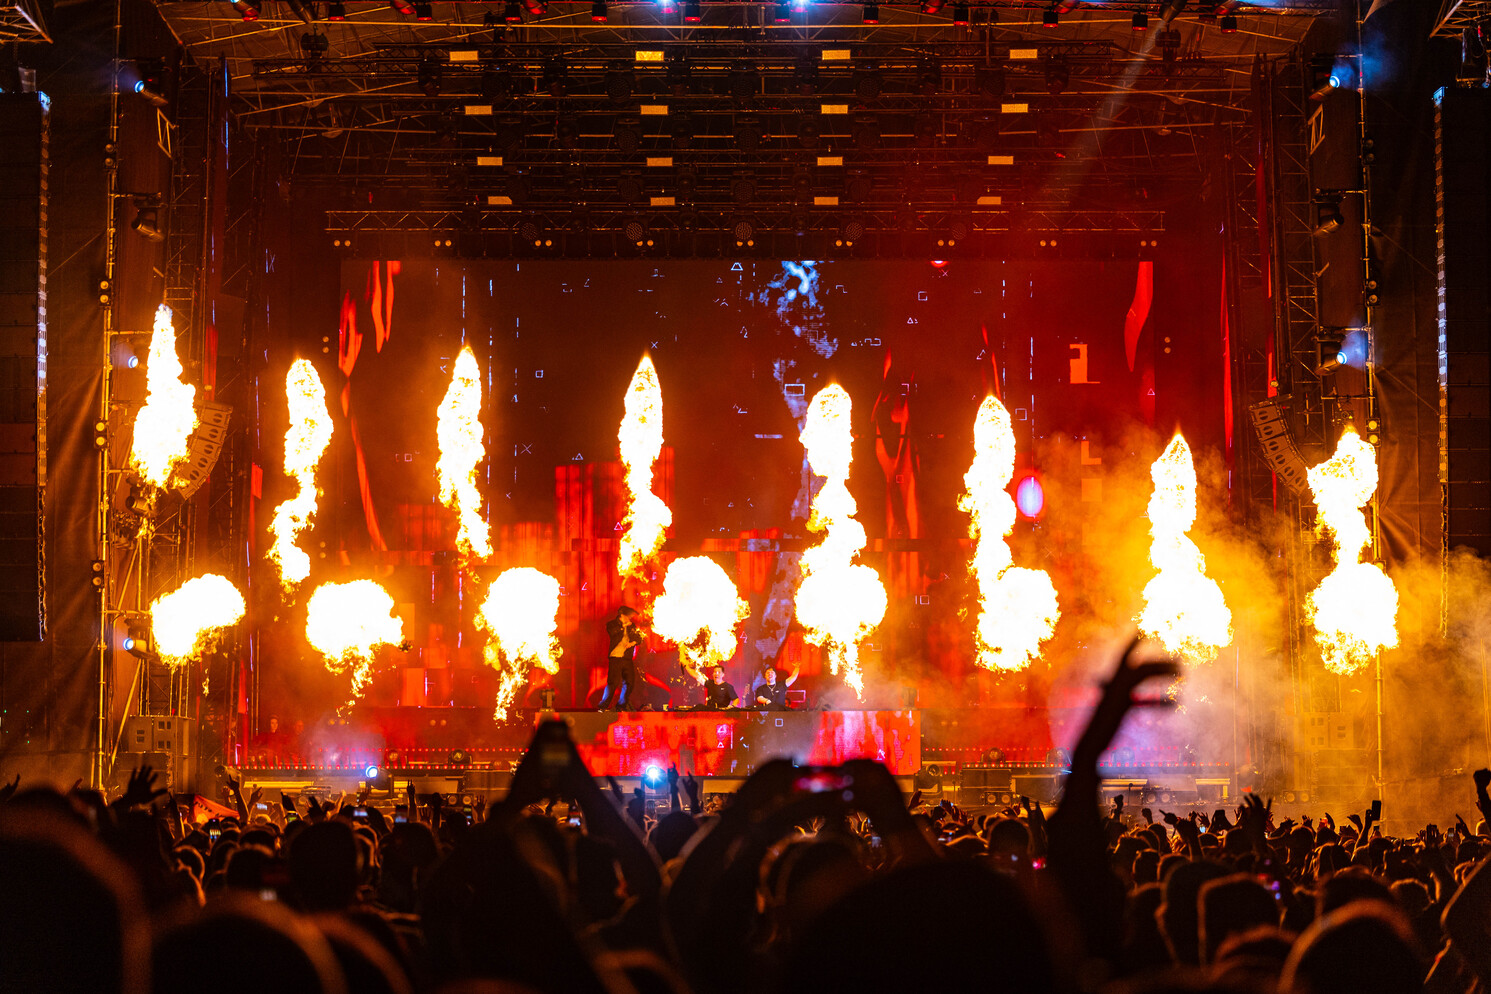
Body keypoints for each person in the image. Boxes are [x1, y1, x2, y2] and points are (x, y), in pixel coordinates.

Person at [600, 606, 644, 711]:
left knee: (629, 683)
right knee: (612, 683)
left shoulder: (632, 626)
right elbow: (613, 633)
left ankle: (621, 706)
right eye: (629, 616)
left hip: (627, 658)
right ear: (622, 615)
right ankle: (603, 706)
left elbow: (639, 638)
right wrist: (623, 626)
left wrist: (633, 642)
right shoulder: (612, 624)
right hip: (615, 657)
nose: (630, 618)